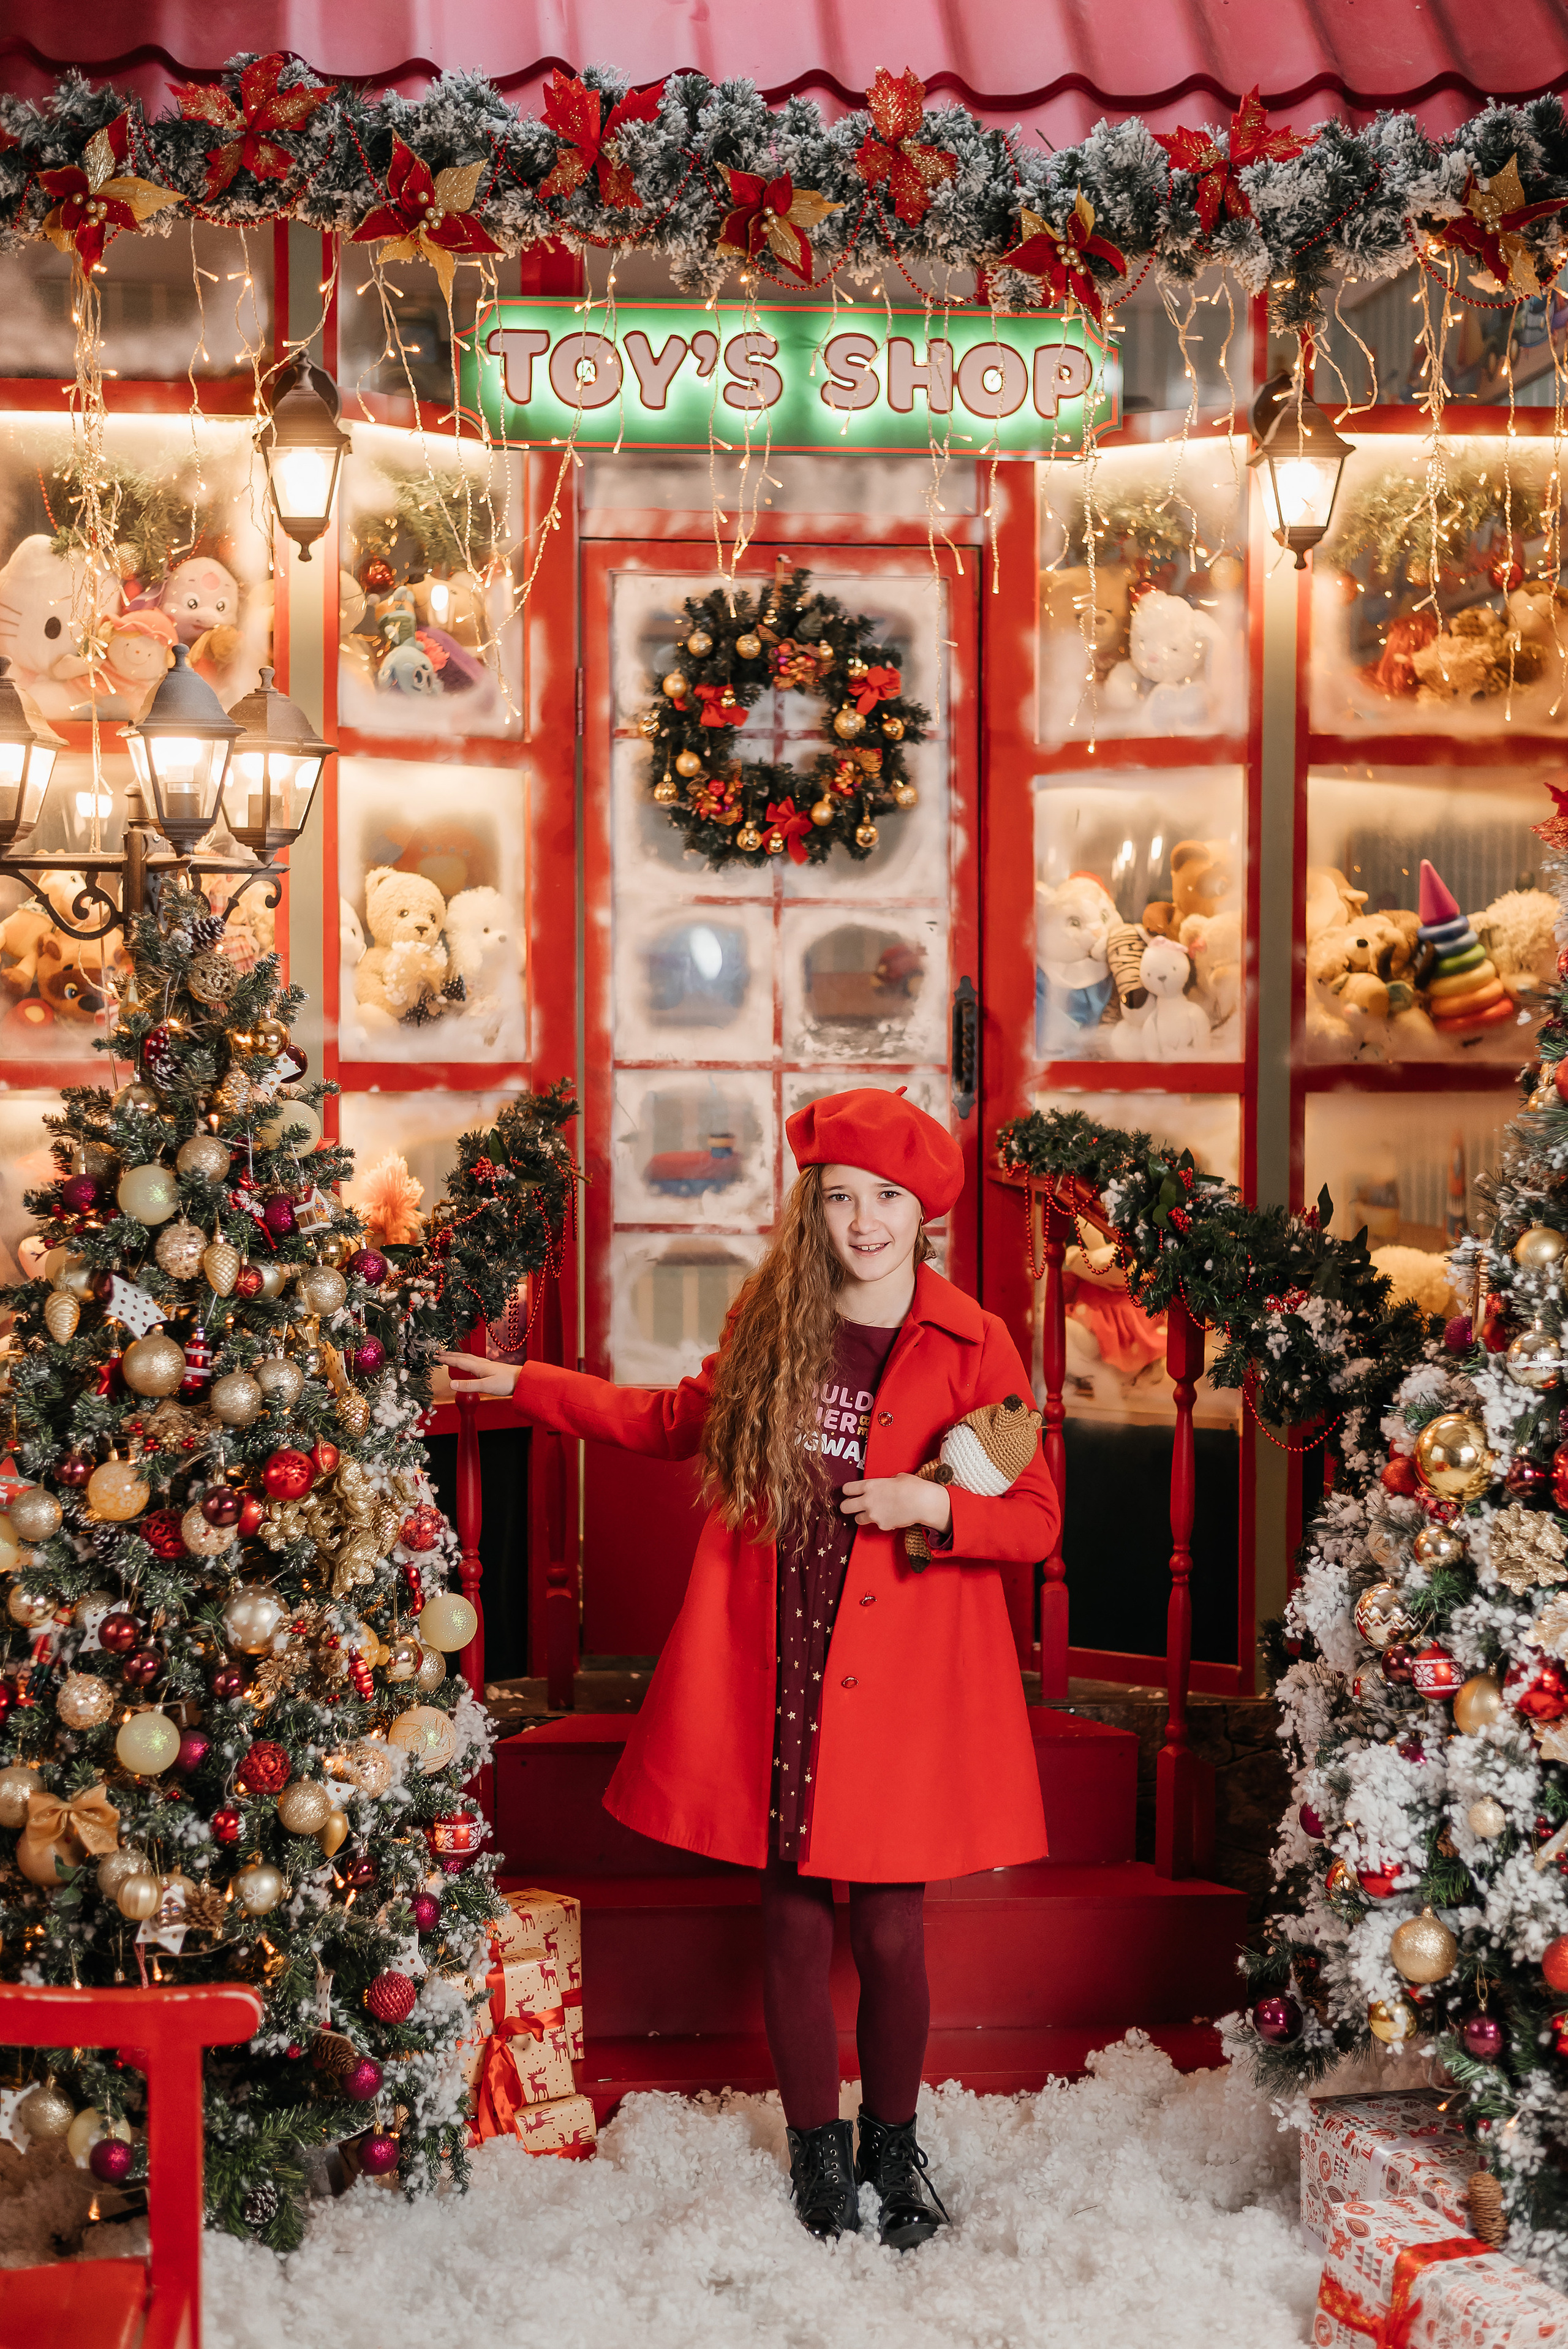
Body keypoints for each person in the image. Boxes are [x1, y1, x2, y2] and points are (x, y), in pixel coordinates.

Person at [440, 1088, 1057, 2249]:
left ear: (923, 1213)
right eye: (841, 1197)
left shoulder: (978, 1340)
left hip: (903, 1671)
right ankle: (818, 2152)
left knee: (890, 1928)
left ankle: (892, 2145)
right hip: (785, 1648)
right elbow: (670, 1419)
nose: (864, 1221)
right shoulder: (775, 1323)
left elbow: (1034, 1515)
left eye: (888, 1199)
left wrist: (932, 1503)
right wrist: (530, 1385)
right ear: (811, 1207)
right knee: (789, 1917)